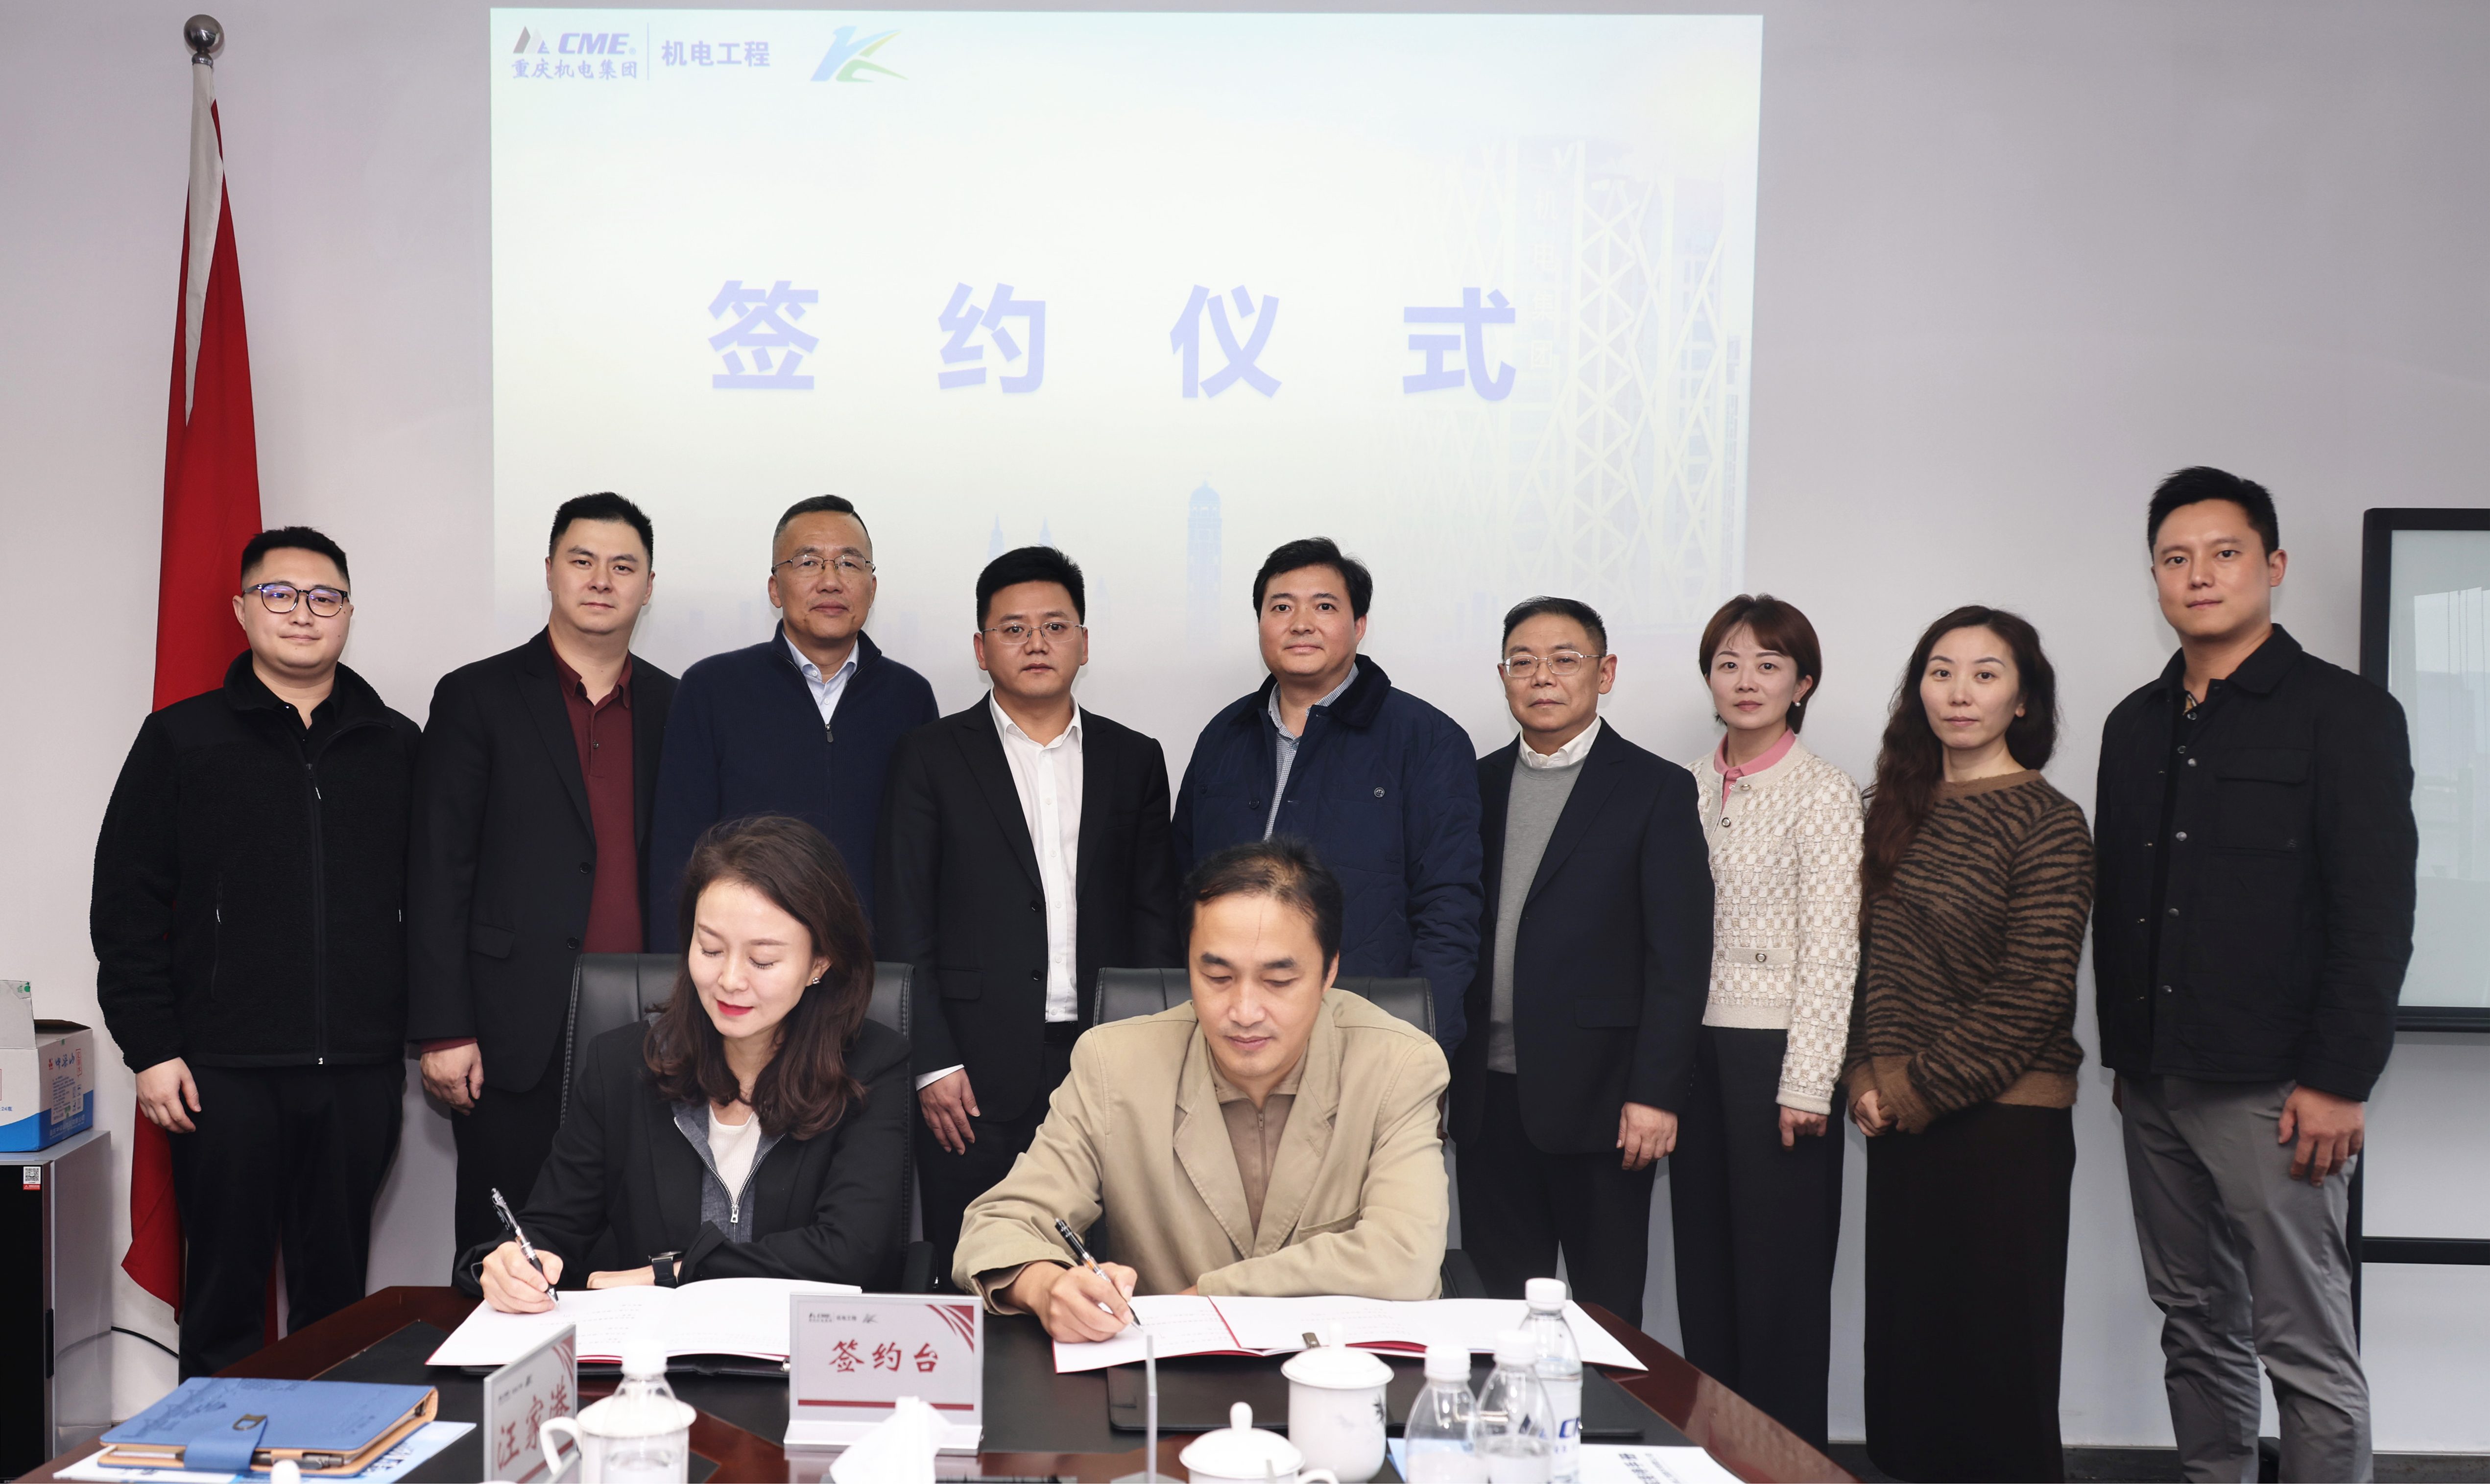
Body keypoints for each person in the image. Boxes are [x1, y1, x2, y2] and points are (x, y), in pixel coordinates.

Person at [2094, 469, 2414, 1484]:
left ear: (2271, 566)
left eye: (2223, 553)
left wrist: (2339, 1080)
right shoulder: (2132, 725)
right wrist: (2127, 1058)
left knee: (2303, 1344)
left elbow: (2374, 913)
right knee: (2193, 1325)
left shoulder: (2345, 714)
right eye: (2174, 558)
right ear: (2153, 576)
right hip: (2152, 1081)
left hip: (2277, 1093)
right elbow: (2126, 898)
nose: (2198, 575)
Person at [92, 527, 423, 1377]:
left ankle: (328, 1445)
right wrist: (151, 1047)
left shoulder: (396, 744)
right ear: (242, 610)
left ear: (348, 613)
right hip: (221, 1074)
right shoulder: (181, 739)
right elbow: (127, 906)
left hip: (356, 1070)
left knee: (337, 1307)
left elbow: (429, 900)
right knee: (224, 1302)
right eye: (280, 594)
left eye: (324, 597)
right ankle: (214, 1445)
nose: (303, 613)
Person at [953, 838, 1450, 1340]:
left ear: (1329, 972)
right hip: (1166, 1373)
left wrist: (1209, 1297)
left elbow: (1403, 1258)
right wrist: (1047, 1287)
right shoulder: (1114, 1066)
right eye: (1217, 976)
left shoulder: (1397, 1065)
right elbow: (999, 1225)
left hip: (1343, 1370)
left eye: (1278, 981)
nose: (1244, 1011)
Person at [876, 546, 1183, 1277]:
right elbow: (904, 916)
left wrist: (1153, 1051)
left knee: (1106, 1267)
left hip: (1105, 1055)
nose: (1036, 642)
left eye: (1054, 626)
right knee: (975, 1264)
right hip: (971, 1071)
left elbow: (1154, 917)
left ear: (1084, 642)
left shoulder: (1134, 758)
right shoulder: (929, 756)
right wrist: (932, 1061)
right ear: (981, 648)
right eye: (1013, 629)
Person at [459, 815, 912, 1307]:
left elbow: (849, 1254)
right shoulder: (621, 1065)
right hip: (652, 1348)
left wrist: (677, 1273)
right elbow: (549, 1230)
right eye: (710, 949)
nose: (730, 980)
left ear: (819, 962)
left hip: (802, 1346)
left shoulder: (872, 1067)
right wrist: (508, 1266)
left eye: (762, 960)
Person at [1844, 605, 2092, 1484]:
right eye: (1941, 671)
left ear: (2022, 700)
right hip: (1896, 1119)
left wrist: (1909, 1088)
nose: (1959, 692)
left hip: (2004, 1129)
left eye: (1986, 674)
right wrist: (1863, 1076)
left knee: (1996, 1364)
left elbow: (2033, 990)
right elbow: (1864, 963)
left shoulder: (2049, 821)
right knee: (1910, 1358)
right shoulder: (1889, 810)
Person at [408, 493, 679, 1259]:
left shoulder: (677, 705)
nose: (601, 579)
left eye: (623, 565)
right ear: (551, 571)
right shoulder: (476, 696)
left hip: (649, 1025)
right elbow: (437, 870)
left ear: (648, 586)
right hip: (510, 1029)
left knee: (634, 1246)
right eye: (582, 560)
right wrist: (445, 1028)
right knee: (507, 1250)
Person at [1449, 597, 1711, 1328]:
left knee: (1605, 1317)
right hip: (1487, 1100)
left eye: (1565, 659)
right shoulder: (1474, 784)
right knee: (1496, 1316)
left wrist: (1656, 1093)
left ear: (1605, 672)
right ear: (1503, 676)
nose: (1543, 677)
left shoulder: (1655, 788)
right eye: (1523, 662)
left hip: (1605, 1103)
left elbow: (1679, 955)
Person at [1671, 594, 1860, 1451]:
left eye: (1768, 664)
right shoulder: (1683, 784)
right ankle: (1714, 1455)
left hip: (1778, 1060)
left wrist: (1807, 1083)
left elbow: (1833, 949)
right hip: (1693, 1056)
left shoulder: (1823, 792)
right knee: (1705, 1275)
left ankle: (1785, 1465)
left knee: (1779, 1289)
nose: (1746, 680)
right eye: (1728, 663)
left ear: (1801, 683)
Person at [1171, 537, 1483, 1044]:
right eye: (1281, 607)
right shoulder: (1223, 737)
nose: (1300, 623)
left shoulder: (1426, 740)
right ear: (1260, 624)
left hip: (1365, 1031)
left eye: (1323, 606)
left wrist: (1423, 1048)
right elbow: (1181, 889)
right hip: (1227, 1029)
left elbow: (1448, 911)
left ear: (1358, 625)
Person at [649, 495, 936, 940]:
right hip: (746, 956)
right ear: (775, 589)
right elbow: (677, 850)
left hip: (874, 962)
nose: (831, 581)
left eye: (849, 563)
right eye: (808, 563)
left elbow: (923, 858)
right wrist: (678, 965)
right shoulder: (712, 689)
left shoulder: (909, 697)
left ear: (872, 587)